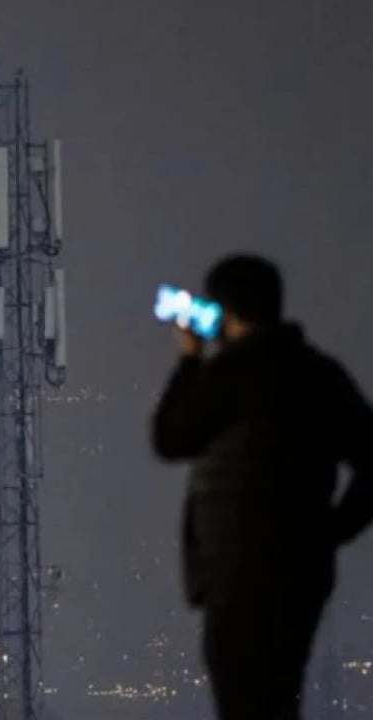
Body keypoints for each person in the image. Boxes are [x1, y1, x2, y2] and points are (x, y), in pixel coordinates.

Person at [151, 254, 373, 720]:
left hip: (236, 572)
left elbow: (170, 437)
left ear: (225, 312)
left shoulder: (230, 374)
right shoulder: (320, 374)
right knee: (277, 696)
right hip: (301, 574)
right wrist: (329, 533)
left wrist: (190, 360)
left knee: (242, 700)